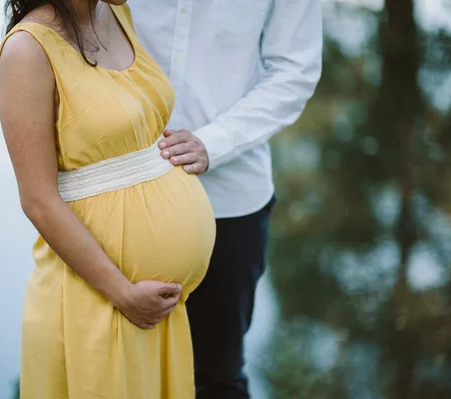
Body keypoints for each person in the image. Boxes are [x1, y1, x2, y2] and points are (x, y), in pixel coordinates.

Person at [0, 0, 215, 398]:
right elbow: (38, 200)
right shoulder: (27, 51)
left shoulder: (115, 13)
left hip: (152, 310)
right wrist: (123, 293)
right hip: (98, 303)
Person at [130, 1, 323, 398]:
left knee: (216, 375)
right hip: (121, 193)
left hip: (231, 203)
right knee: (120, 365)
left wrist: (213, 142)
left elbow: (295, 70)